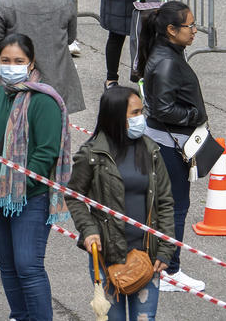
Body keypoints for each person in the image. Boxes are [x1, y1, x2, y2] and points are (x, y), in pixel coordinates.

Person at [0, 33, 73, 321]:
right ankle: (19, 315)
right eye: (5, 60)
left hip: (30, 198)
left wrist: (19, 184)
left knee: (28, 265)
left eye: (18, 61)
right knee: (7, 265)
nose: (11, 66)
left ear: (31, 64)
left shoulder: (44, 101)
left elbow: (46, 154)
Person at [66, 85, 175, 321]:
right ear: (116, 117)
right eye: (134, 113)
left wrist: (166, 248)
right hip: (107, 257)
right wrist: (88, 230)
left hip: (147, 256)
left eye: (141, 112)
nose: (141, 119)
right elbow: (73, 195)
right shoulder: (92, 154)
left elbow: (165, 201)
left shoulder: (151, 150)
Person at [135, 0, 206, 293]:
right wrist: (194, 116)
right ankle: (169, 269)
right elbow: (163, 109)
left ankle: (162, 263)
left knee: (167, 205)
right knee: (175, 206)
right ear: (171, 30)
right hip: (170, 144)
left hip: (167, 141)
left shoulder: (169, 52)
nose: (195, 30)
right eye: (190, 26)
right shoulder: (166, 61)